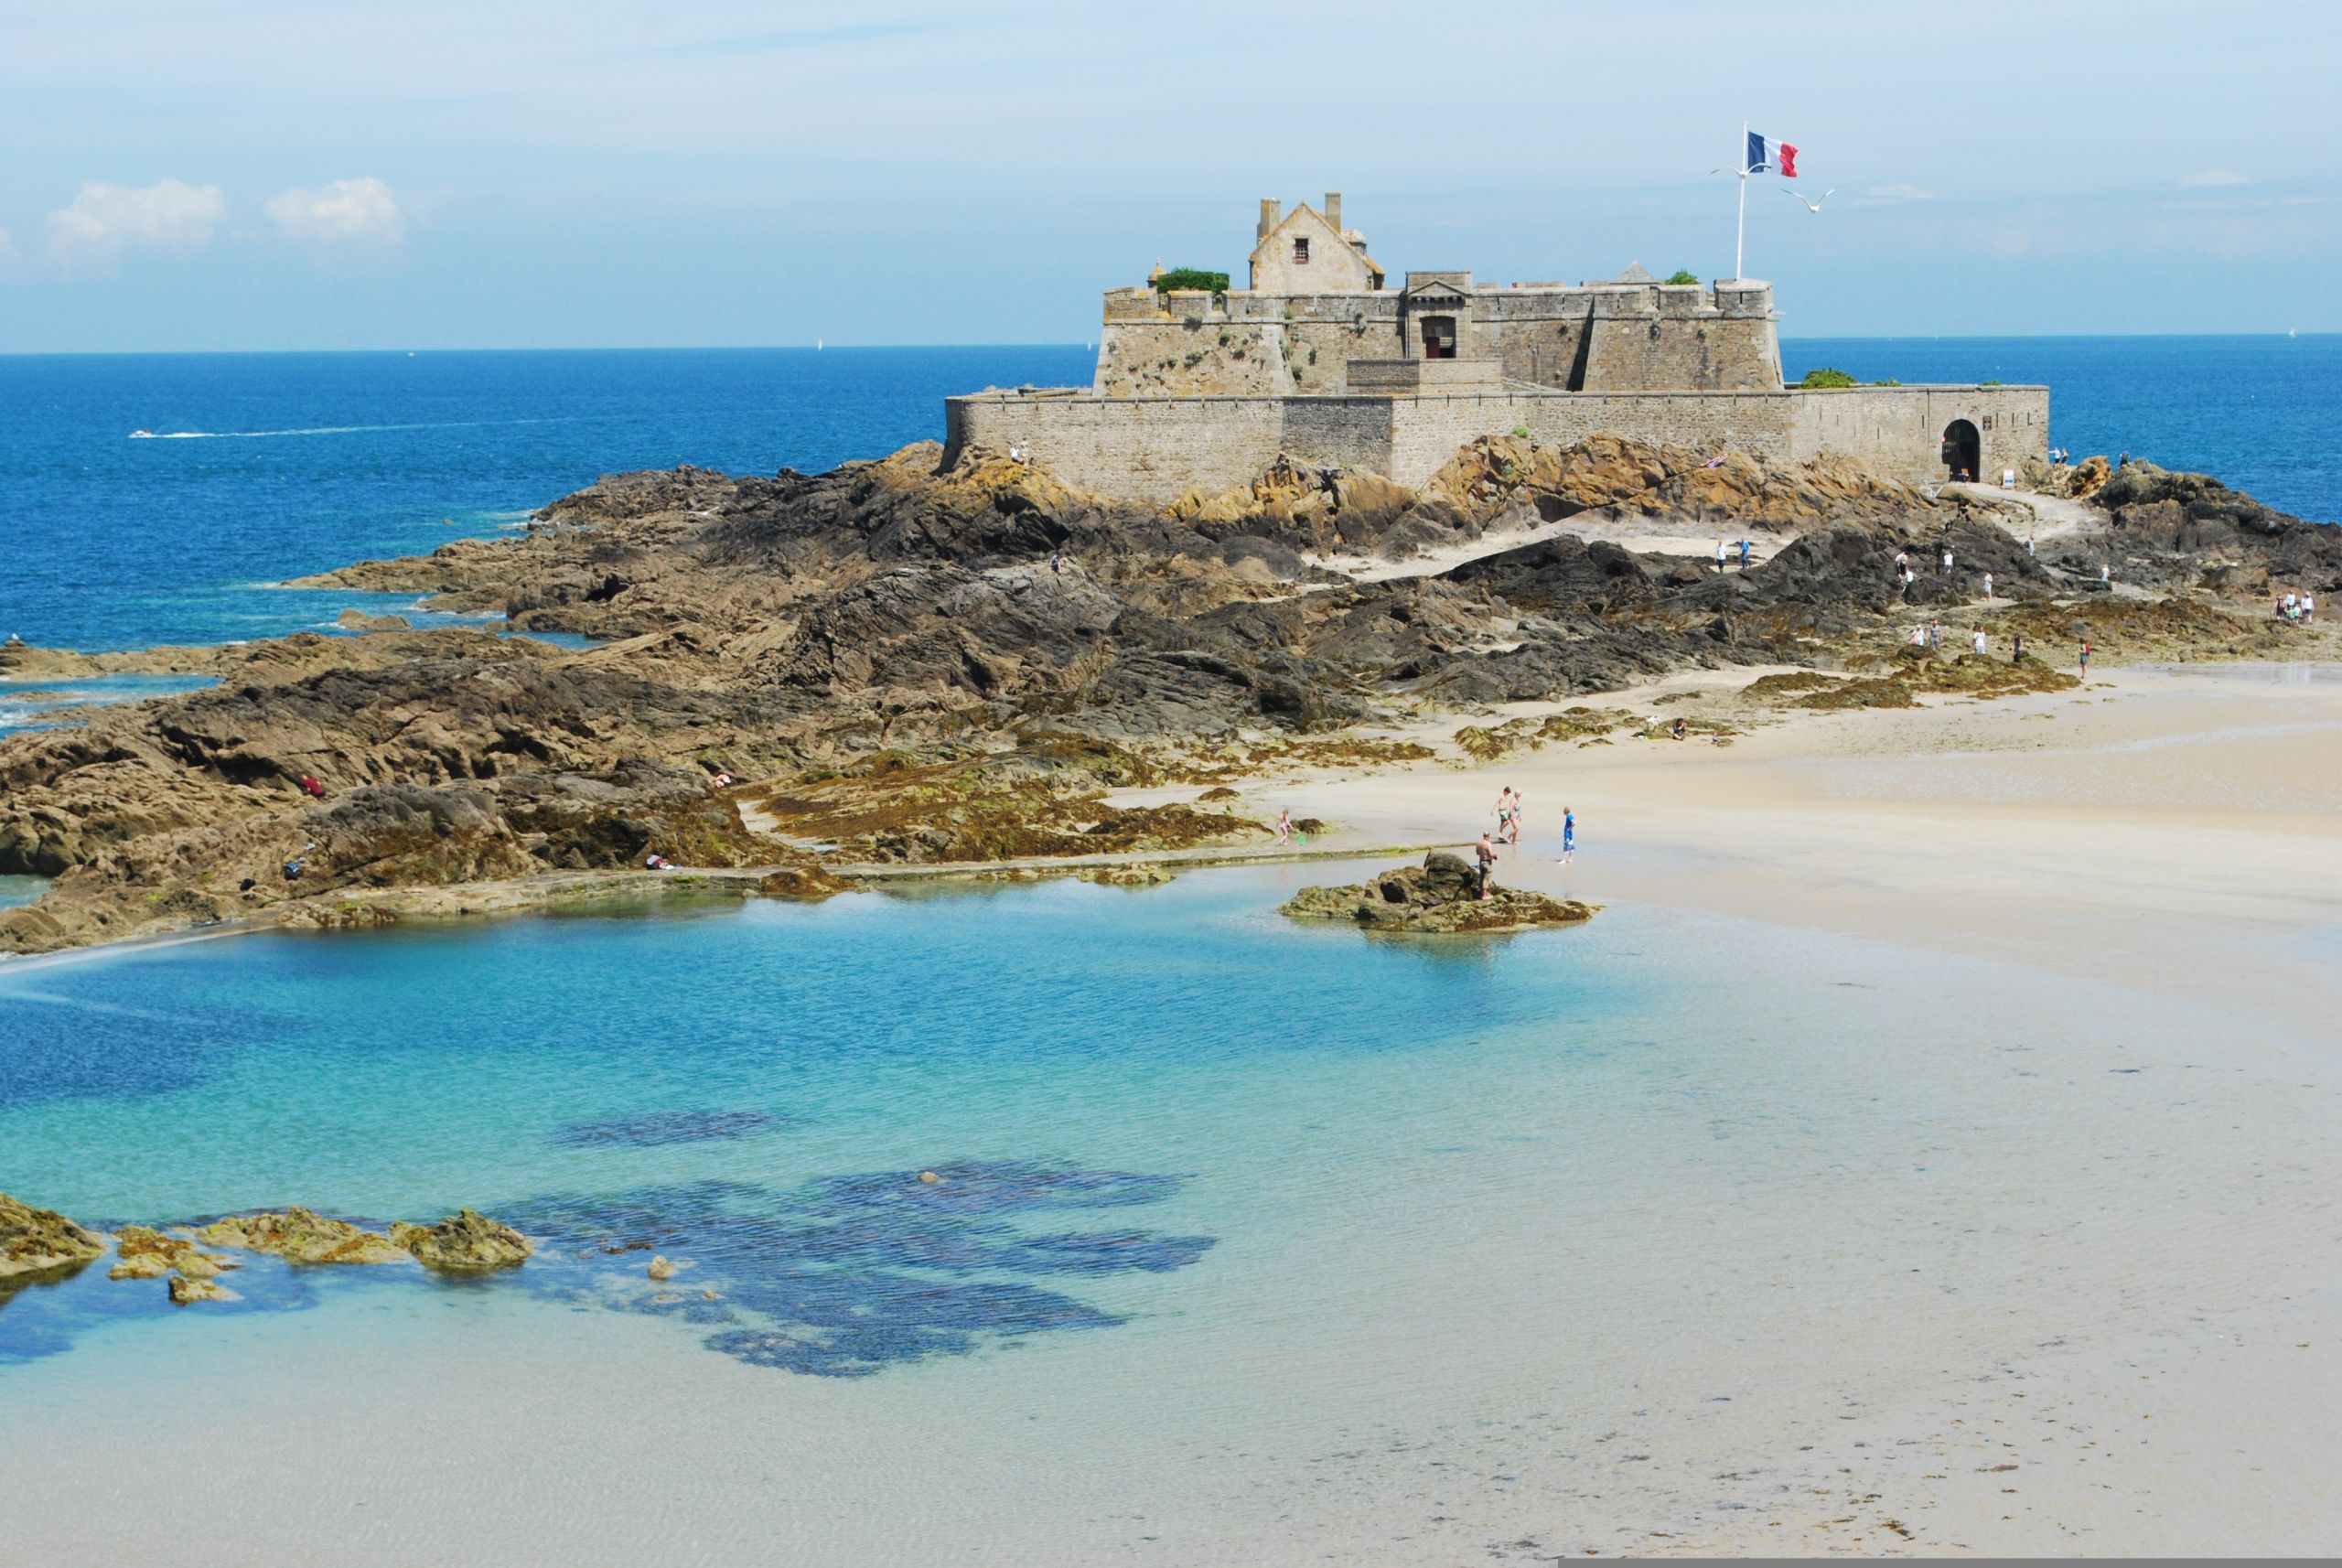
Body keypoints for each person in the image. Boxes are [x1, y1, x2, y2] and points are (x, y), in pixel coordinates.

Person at [1474, 832, 1499, 899]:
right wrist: (1495, 855)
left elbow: (1477, 853)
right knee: (1486, 878)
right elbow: (1491, 854)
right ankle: (1484, 895)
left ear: (1483, 835)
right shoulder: (1488, 843)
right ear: (1488, 836)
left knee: (1482, 877)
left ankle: (1483, 893)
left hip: (1481, 862)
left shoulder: (1479, 843)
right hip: (1487, 863)